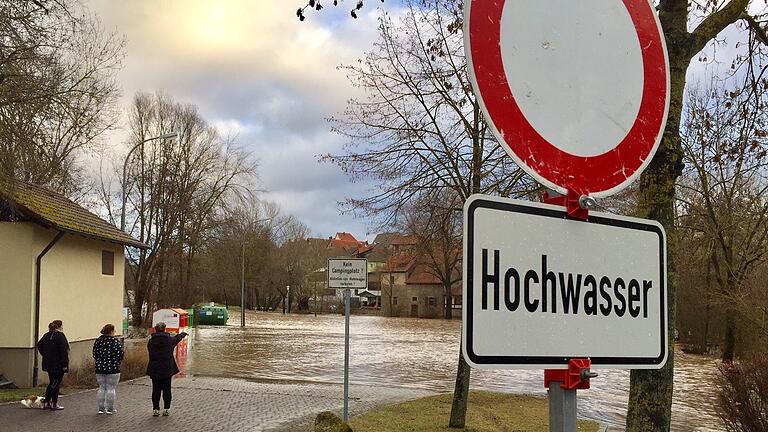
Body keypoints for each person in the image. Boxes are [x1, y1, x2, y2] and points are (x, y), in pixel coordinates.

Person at [146, 322, 187, 417]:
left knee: (155, 389)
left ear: (155, 329)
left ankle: (155, 409)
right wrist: (183, 334)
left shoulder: (151, 341)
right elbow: (177, 338)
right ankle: (166, 409)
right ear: (165, 329)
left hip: (154, 367)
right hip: (167, 368)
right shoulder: (169, 340)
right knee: (167, 389)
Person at [37, 320, 69, 410]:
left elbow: (39, 345)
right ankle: (54, 403)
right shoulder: (60, 336)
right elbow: (64, 351)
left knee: (52, 382)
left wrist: (45, 354)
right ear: (59, 326)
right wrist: (65, 364)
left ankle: (47, 402)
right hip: (58, 365)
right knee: (55, 384)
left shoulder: (46, 335)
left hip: (48, 364)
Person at [93, 324, 124, 415]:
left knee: (101, 388)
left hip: (100, 368)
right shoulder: (115, 342)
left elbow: (94, 354)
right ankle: (110, 409)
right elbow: (120, 355)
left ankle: (101, 409)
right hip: (113, 368)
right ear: (111, 331)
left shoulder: (98, 341)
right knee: (111, 388)